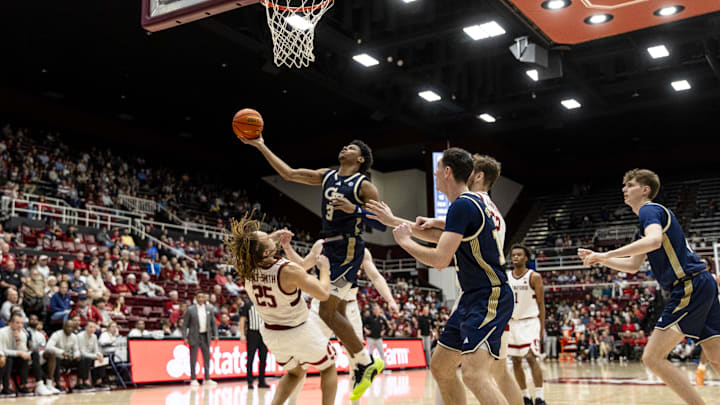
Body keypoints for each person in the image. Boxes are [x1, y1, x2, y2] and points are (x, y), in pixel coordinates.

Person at [366, 151, 523, 405]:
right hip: (472, 296)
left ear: (448, 172)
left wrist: (405, 241)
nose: (436, 174)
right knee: (441, 367)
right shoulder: (478, 205)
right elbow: (441, 235)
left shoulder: (464, 204)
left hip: (489, 294)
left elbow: (440, 259)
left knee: (475, 375)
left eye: (438, 169)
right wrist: (395, 221)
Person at [240, 135, 385, 400]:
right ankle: (363, 361)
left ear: (361, 159)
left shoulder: (364, 186)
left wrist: (356, 210)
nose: (344, 146)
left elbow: (383, 222)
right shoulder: (327, 175)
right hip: (329, 246)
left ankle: (365, 362)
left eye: (351, 147)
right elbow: (288, 173)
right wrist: (261, 144)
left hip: (347, 247)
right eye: (345, 144)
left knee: (326, 310)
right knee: (336, 309)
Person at [579, 169, 720, 405]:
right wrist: (601, 259)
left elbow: (653, 241)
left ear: (645, 190)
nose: (624, 189)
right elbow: (634, 265)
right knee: (716, 355)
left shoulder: (649, 209)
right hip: (701, 283)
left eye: (630, 185)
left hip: (689, 286)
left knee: (652, 358)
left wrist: (608, 252)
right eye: (624, 185)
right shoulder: (649, 218)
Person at [225, 215, 337, 405]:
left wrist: (272, 238)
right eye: (266, 238)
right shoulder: (288, 270)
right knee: (328, 367)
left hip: (271, 334)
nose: (270, 237)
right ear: (266, 251)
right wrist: (324, 269)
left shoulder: (245, 268)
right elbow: (324, 293)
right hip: (299, 329)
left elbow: (252, 250)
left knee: (295, 372)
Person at [506, 244, 547, 405]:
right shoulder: (507, 277)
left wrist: (542, 327)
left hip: (530, 322)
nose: (515, 257)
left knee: (530, 357)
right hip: (512, 322)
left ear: (526, 258)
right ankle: (525, 396)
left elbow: (541, 303)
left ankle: (540, 396)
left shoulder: (534, 277)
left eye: (519, 255)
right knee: (515, 360)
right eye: (513, 255)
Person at [181, 291, 218, 387]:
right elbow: (185, 325)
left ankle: (207, 378)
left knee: (207, 358)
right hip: (194, 336)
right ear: (196, 298)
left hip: (206, 336)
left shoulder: (209, 309)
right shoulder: (190, 310)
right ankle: (193, 378)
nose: (201, 299)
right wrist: (185, 336)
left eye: (202, 297)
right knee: (193, 359)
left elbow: (213, 323)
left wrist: (216, 334)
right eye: (199, 297)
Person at [696, 257, 718, 386]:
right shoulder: (696, 279)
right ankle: (701, 369)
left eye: (704, 264)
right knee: (707, 344)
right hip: (703, 313)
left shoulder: (715, 278)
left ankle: (701, 370)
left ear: (709, 267)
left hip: (715, 311)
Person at [240, 296, 269, 389]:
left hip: (264, 334)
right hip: (252, 333)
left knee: (263, 359)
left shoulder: (266, 304)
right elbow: (242, 319)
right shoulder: (248, 304)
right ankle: (250, 381)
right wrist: (242, 334)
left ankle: (262, 381)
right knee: (250, 358)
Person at [0, 312, 31, 395]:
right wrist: (18, 352)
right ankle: (5, 388)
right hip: (4, 358)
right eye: (17, 323)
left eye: (22, 323)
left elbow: (24, 352)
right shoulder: (2, 332)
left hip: (14, 360)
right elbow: (2, 350)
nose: (20, 325)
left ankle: (22, 386)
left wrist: (19, 341)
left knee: (25, 358)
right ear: (10, 323)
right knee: (8, 360)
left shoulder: (23, 334)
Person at [46, 320, 81, 392]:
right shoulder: (57, 334)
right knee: (57, 359)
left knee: (81, 359)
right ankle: (57, 383)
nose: (70, 328)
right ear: (64, 327)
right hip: (58, 357)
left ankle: (80, 383)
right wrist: (61, 352)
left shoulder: (74, 336)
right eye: (68, 326)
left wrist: (76, 355)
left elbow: (76, 350)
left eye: (71, 327)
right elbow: (48, 347)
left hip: (68, 358)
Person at [76, 320, 106, 389]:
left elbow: (96, 350)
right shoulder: (80, 336)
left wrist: (99, 354)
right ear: (86, 327)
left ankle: (98, 381)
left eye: (94, 327)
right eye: (90, 327)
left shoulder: (94, 336)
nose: (92, 329)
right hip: (80, 357)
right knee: (86, 359)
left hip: (90, 357)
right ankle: (84, 381)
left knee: (103, 358)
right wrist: (95, 356)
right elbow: (82, 353)